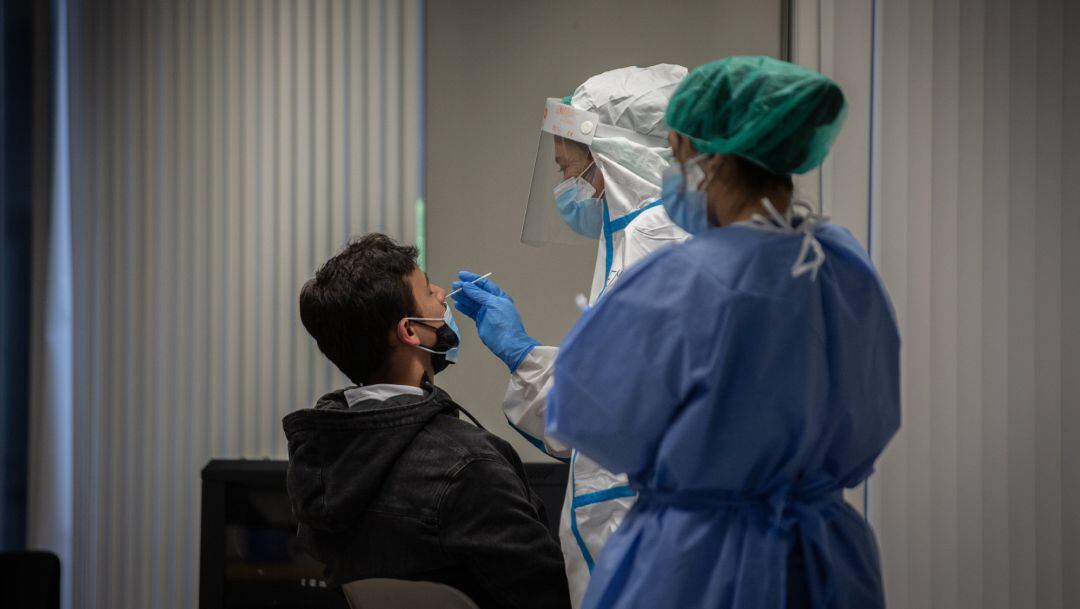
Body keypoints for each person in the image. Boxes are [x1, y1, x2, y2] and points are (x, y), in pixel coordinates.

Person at [545, 56, 901, 609]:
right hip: (826, 560)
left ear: (700, 159)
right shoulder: (844, 267)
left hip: (699, 563)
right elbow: (875, 415)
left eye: (677, 152)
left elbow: (585, 419)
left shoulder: (683, 279)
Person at [452, 64, 689, 607]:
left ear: (617, 158)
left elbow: (607, 411)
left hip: (648, 547)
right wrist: (527, 357)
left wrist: (523, 354)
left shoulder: (658, 245)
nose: (566, 189)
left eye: (569, 169)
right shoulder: (641, 242)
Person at [282, 233, 571, 609]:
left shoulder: (320, 460)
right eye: (427, 289)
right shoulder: (468, 466)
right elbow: (554, 598)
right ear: (409, 330)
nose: (440, 293)